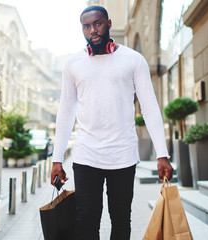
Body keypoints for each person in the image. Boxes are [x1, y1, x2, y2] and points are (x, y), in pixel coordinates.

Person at [51, 5, 174, 240]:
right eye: (86, 26)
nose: (92, 31)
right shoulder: (73, 65)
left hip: (123, 155)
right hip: (86, 154)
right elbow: (66, 111)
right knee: (86, 221)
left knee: (121, 221)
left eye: (97, 23)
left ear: (109, 23)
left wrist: (162, 154)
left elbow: (149, 108)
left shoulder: (133, 60)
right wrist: (57, 159)